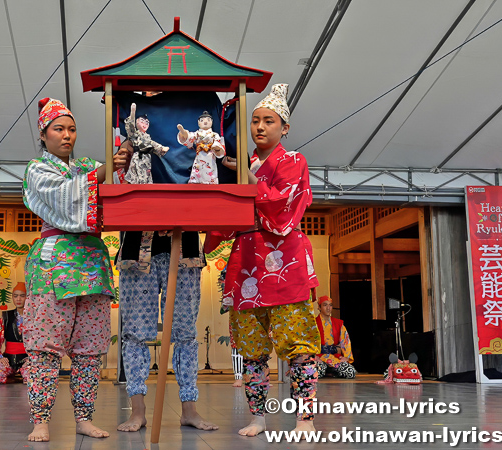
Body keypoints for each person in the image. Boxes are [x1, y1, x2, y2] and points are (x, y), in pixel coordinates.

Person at [205, 84, 321, 437]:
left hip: (285, 261)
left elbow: (281, 209)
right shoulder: (242, 164)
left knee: (299, 347)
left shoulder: (293, 161)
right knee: (252, 349)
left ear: (284, 128)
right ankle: (258, 416)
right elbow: (226, 212)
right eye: (255, 121)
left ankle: (305, 418)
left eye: (268, 121)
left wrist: (246, 177)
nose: (259, 127)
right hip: (246, 263)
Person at [20, 97, 114, 442]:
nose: (67, 135)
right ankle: (40, 419)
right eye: (58, 129)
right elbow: (65, 195)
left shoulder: (85, 165)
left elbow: (107, 185)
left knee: (89, 348)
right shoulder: (38, 169)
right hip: (52, 265)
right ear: (43, 135)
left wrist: (123, 158)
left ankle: (84, 417)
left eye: (72, 129)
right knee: (45, 347)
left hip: (91, 262)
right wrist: (103, 172)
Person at [114, 142, 219, 433]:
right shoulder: (129, 132)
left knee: (185, 333)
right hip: (137, 249)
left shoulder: (190, 135)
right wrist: (121, 157)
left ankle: (189, 410)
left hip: (184, 246)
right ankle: (138, 411)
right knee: (135, 334)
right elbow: (115, 186)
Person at [0, 283, 30, 384]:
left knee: (32, 379)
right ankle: (11, 377)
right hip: (9, 358)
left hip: (28, 359)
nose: (18, 299)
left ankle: (23, 376)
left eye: (22, 296)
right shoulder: (6, 317)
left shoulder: (34, 317)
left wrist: (33, 358)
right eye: (15, 296)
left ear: (28, 297)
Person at [315, 296, 356, 379]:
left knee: (350, 372)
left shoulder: (338, 323)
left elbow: (346, 341)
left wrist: (347, 357)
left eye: (330, 305)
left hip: (334, 356)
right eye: (325, 305)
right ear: (319, 307)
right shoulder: (313, 324)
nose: (328, 308)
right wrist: (312, 356)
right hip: (319, 356)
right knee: (317, 372)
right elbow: (308, 342)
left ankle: (332, 371)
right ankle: (327, 371)